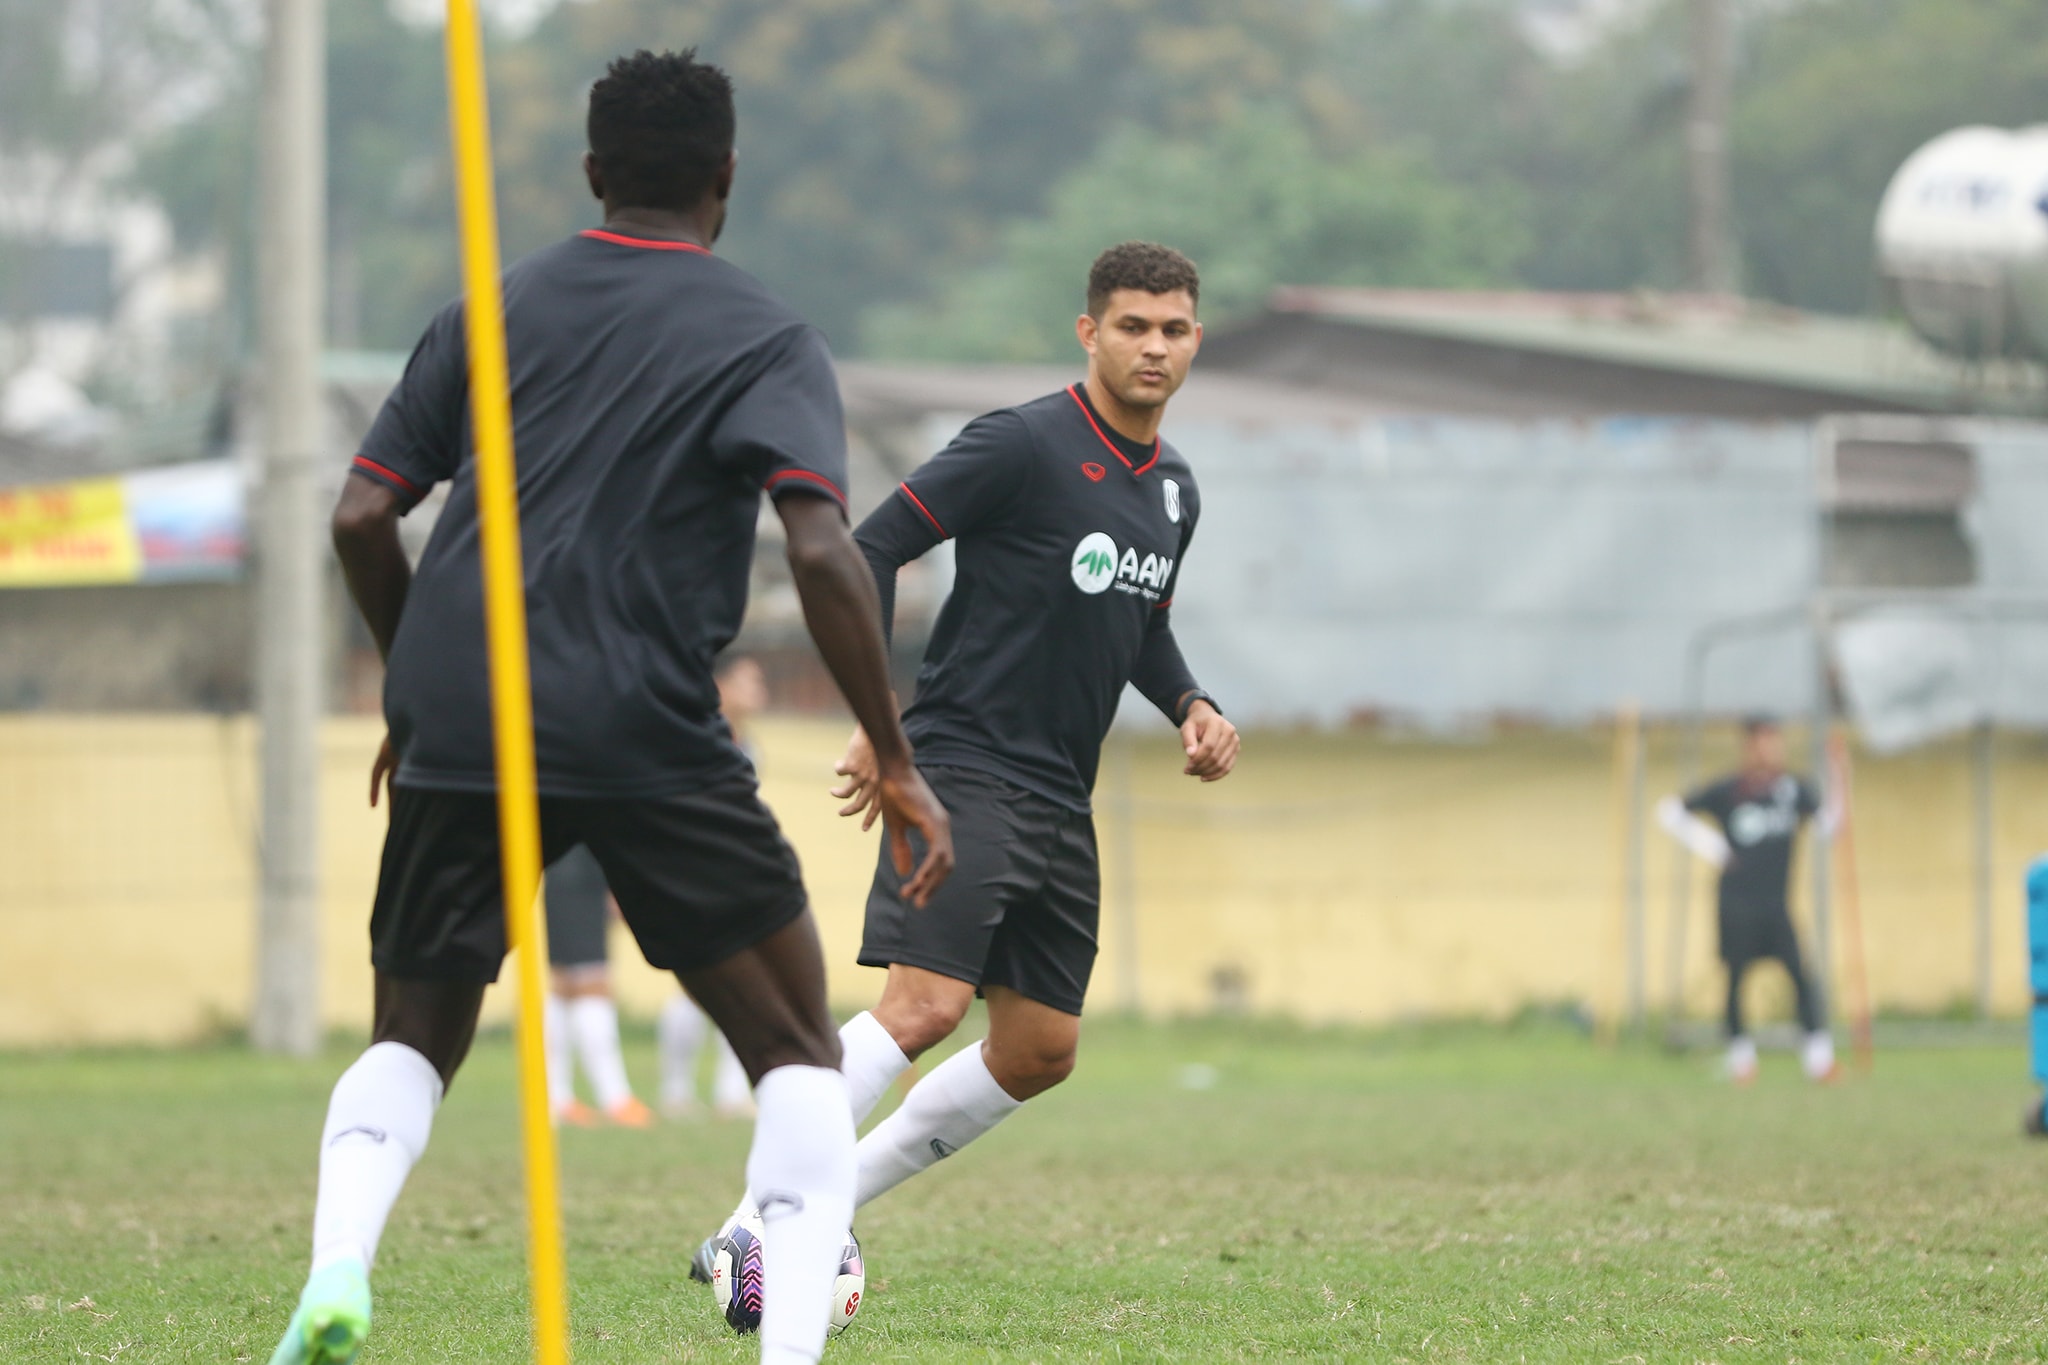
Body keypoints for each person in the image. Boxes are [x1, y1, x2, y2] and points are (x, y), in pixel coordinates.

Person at [269, 49, 951, 1365]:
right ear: (727, 178)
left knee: (414, 1033)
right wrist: (897, 748)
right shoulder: (764, 333)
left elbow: (361, 513)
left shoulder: (495, 303)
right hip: (643, 716)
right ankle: (790, 1352)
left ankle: (339, 1265)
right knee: (798, 1048)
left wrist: (418, 690)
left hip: (467, 719)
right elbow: (820, 550)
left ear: (592, 172)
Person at [694, 241, 1239, 1281]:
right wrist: (878, 710)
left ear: (1194, 339)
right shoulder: (1019, 444)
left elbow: (1141, 623)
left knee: (1040, 1051)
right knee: (923, 1008)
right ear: (1089, 332)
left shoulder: (1172, 489)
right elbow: (867, 547)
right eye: (1131, 326)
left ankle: (820, 1205)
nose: (1152, 347)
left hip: (1055, 794)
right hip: (960, 767)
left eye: (1172, 329)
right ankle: (755, 1224)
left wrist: (1190, 703)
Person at [1657, 715, 1840, 1085]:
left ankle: (1819, 1061)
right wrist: (1714, 848)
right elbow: (1669, 812)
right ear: (1748, 746)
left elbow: (1828, 826)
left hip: (1777, 904)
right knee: (1736, 979)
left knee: (1801, 977)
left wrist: (1841, 778)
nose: (1768, 749)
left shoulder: (1792, 789)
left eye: (1774, 741)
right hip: (1735, 903)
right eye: (1760, 741)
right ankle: (1742, 1060)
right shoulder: (1730, 790)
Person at [658, 656, 770, 1120]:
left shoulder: (752, 747)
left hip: (738, 868)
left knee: (745, 979)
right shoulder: (692, 735)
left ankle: (730, 1091)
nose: (759, 687)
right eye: (749, 679)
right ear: (720, 685)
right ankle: (676, 1090)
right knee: (697, 981)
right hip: (691, 869)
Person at [542, 845, 653, 1128]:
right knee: (591, 982)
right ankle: (614, 1098)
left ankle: (556, 1098)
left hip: (560, 873)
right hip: (582, 875)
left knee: (565, 985)